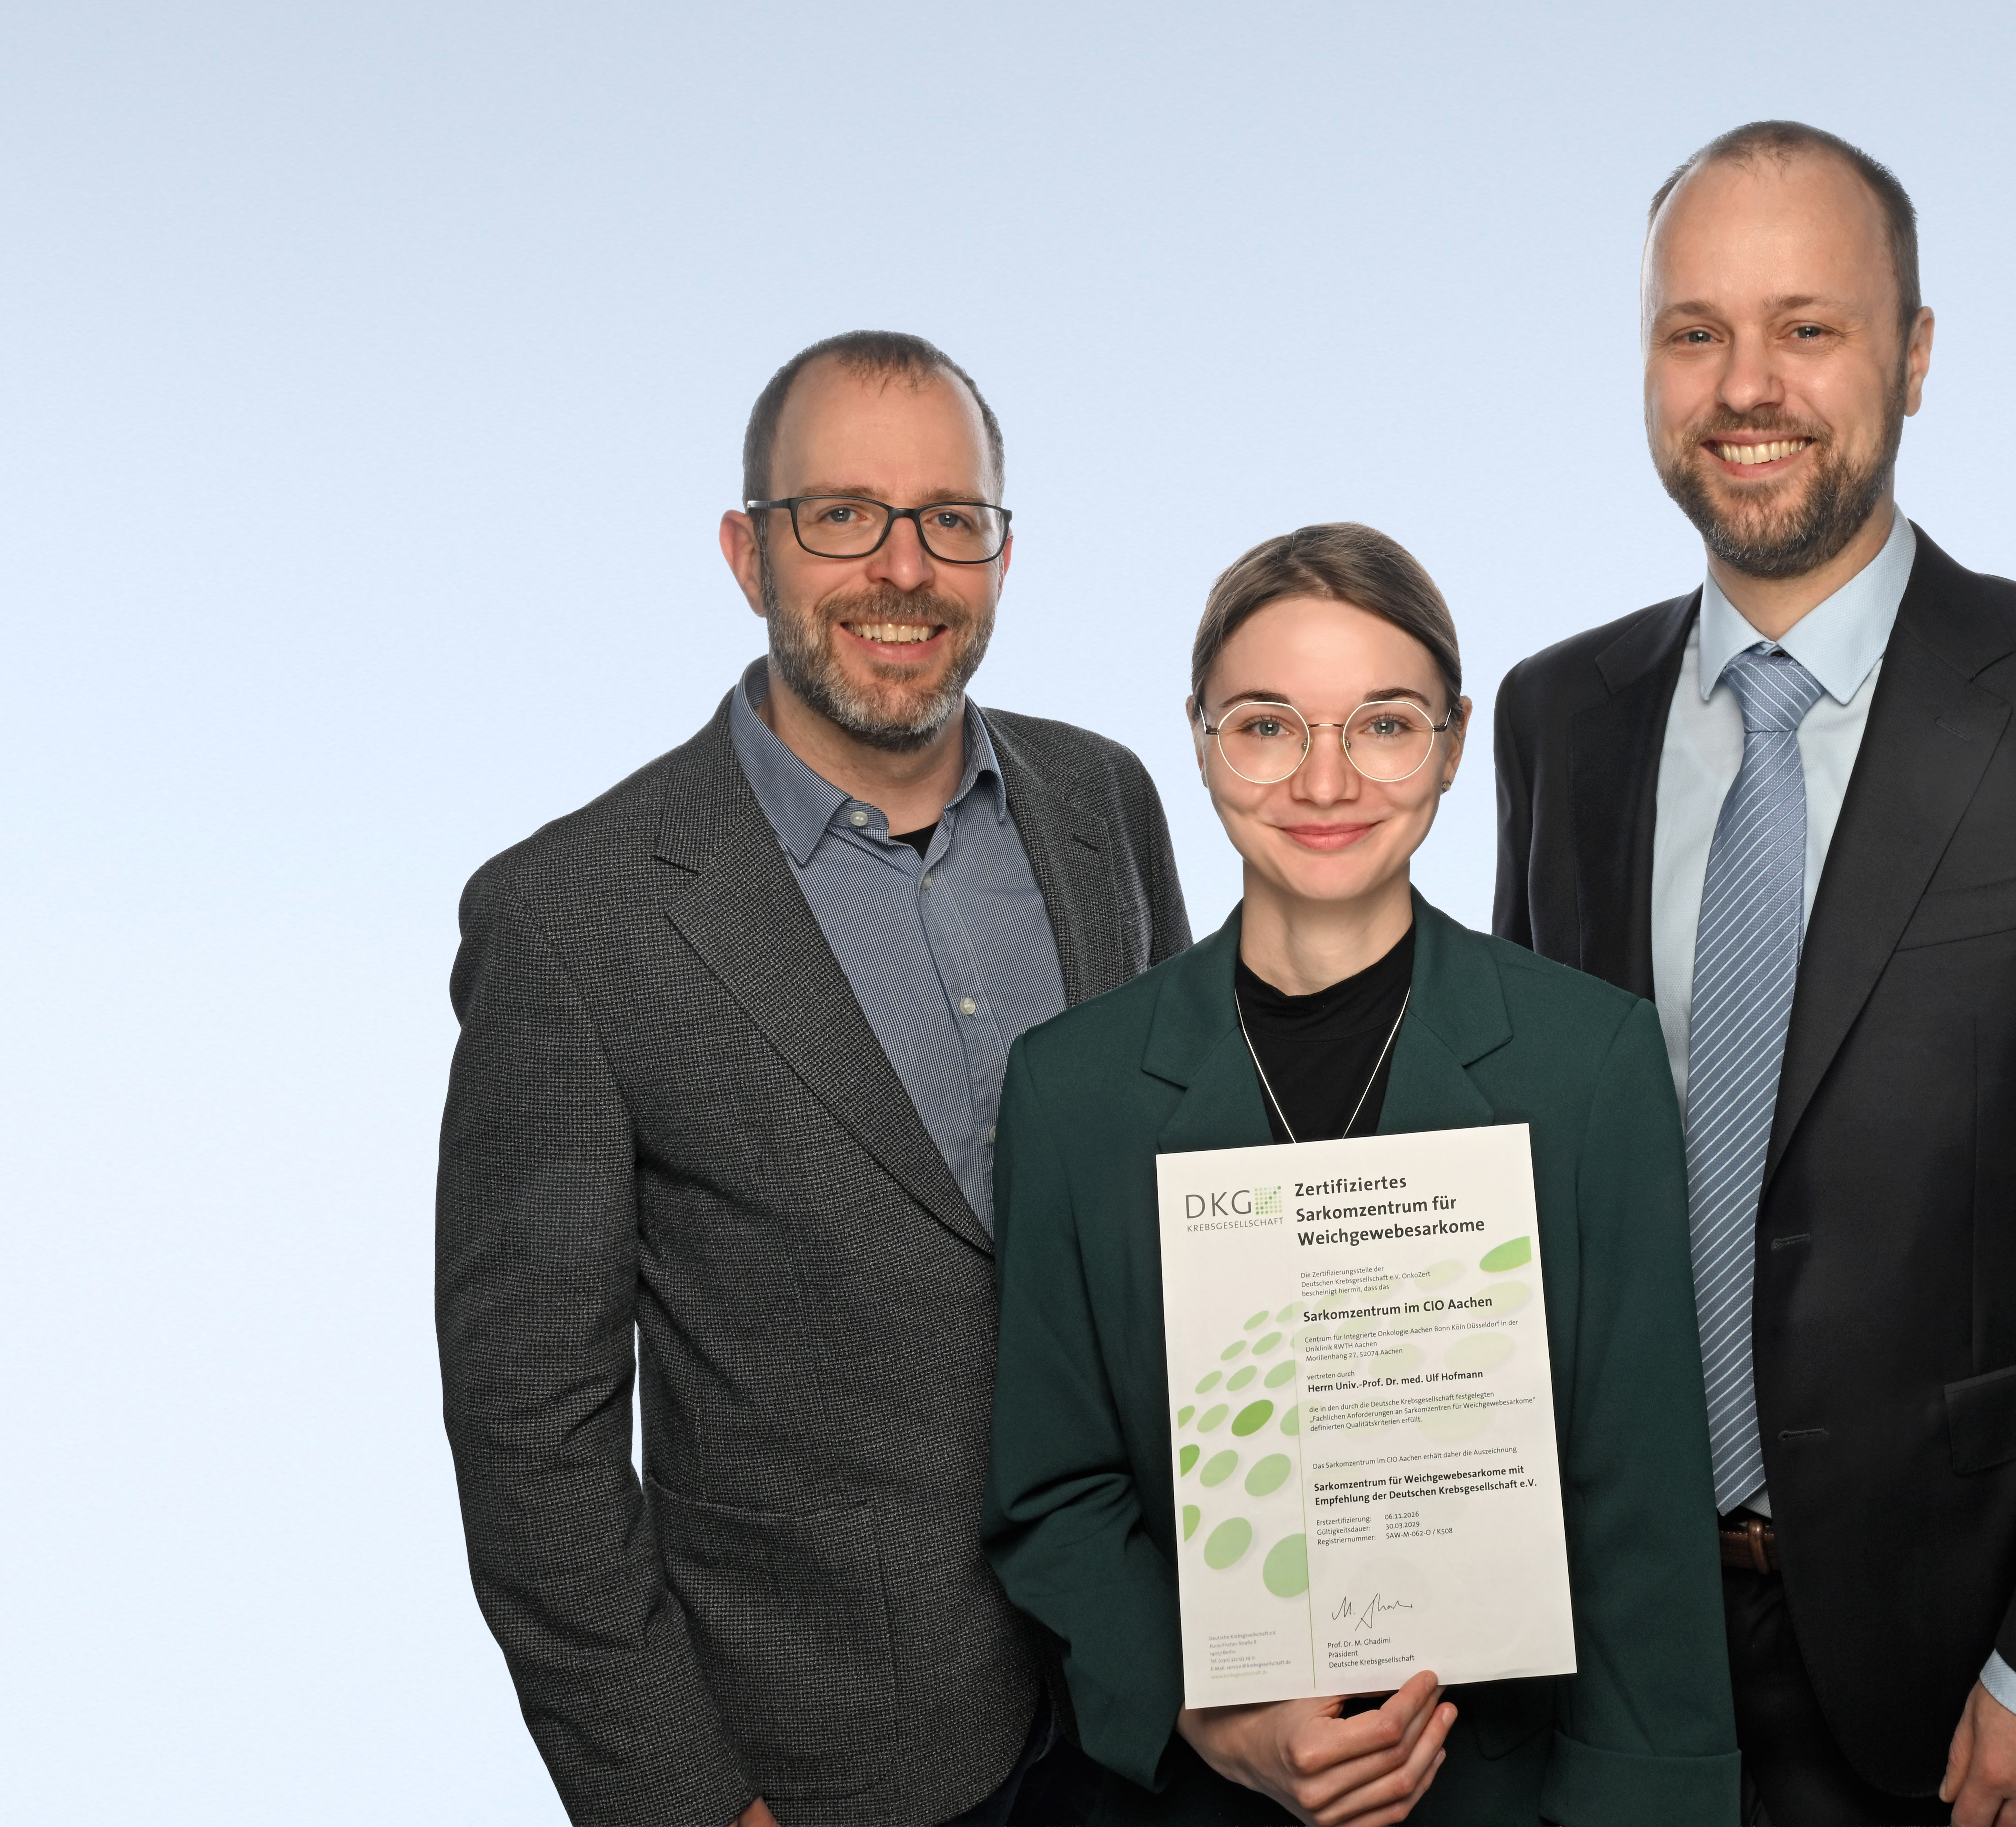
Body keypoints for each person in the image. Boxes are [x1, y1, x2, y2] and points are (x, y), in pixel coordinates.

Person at [1491, 124, 2016, 1827]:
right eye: (1693, 331)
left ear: (1915, 357)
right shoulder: (1561, 719)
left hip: (1968, 1684)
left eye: (1810, 326)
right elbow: (1527, 1180)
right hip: (1612, 1661)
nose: (1745, 384)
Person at [437, 330, 1189, 1826]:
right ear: (747, 552)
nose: (901, 569)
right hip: (834, 1762)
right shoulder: (575, 921)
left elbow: (1190, 1210)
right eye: (840, 516)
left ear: (999, 549)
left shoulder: (1107, 802)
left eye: (949, 519)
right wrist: (684, 1804)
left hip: (1158, 1701)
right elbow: (535, 1438)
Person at [982, 523, 1739, 1826]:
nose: (1324, 780)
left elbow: (1641, 1509)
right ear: (1201, 738)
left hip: (1508, 1792)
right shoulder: (1072, 1088)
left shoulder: (1587, 1061)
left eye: (1382, 726)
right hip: (1200, 1801)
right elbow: (1055, 1491)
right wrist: (1205, 1712)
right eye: (1267, 726)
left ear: (1448, 741)